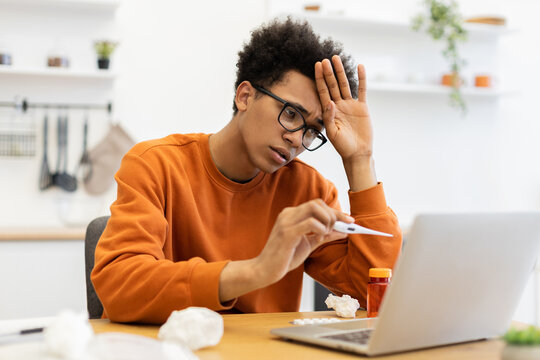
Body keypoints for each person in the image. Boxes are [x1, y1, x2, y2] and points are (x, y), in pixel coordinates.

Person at [91, 17, 402, 324]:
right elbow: (119, 286)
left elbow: (370, 294)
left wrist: (360, 159)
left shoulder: (309, 191)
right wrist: (256, 271)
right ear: (245, 96)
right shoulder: (155, 165)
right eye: (291, 113)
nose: (296, 139)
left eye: (311, 131)